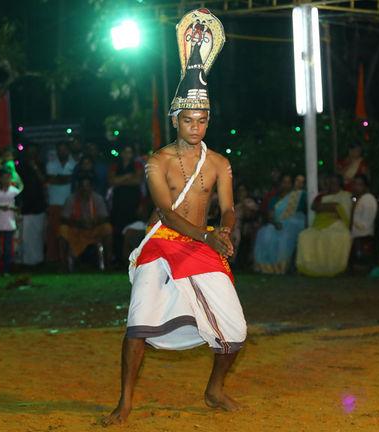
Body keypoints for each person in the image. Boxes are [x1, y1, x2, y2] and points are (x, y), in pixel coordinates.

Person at [103, 11, 245, 424]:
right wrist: (207, 235)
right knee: (138, 325)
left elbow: (230, 206)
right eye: (188, 119)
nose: (196, 126)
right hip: (165, 241)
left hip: (202, 243)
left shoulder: (220, 162)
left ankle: (215, 389)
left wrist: (227, 229)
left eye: (202, 120)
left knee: (234, 333)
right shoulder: (156, 161)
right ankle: (125, 401)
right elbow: (166, 210)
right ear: (175, 119)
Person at [296, 174, 354, 277]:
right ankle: (309, 268)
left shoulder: (346, 195)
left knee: (336, 237)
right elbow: (314, 206)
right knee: (304, 236)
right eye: (330, 183)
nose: (332, 185)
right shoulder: (322, 196)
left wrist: (329, 207)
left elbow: (342, 211)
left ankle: (334, 268)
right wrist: (333, 206)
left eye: (335, 183)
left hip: (337, 224)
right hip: (319, 224)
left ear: (340, 184)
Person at [57, 175, 113, 271]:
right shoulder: (71, 199)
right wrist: (78, 223)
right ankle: (64, 264)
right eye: (82, 187)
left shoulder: (97, 198)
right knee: (62, 230)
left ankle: (108, 263)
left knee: (107, 228)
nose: (85, 189)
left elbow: (105, 218)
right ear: (78, 188)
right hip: (76, 230)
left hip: (93, 229)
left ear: (92, 188)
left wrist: (94, 222)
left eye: (87, 186)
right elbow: (64, 219)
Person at [253, 174, 306, 274]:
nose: (286, 185)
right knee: (265, 234)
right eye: (284, 182)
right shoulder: (274, 199)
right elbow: (270, 216)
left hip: (293, 224)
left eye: (289, 182)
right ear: (280, 184)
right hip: (276, 224)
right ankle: (266, 268)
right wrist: (275, 223)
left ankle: (281, 267)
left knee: (284, 237)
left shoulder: (298, 196)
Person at [108, 145, 144, 263]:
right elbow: (112, 181)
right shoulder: (115, 165)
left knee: (132, 228)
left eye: (129, 152)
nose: (127, 154)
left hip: (133, 202)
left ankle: (133, 259)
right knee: (118, 229)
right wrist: (128, 176)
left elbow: (138, 181)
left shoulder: (137, 165)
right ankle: (118, 258)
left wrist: (120, 180)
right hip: (118, 201)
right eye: (125, 152)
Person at [45, 141, 76, 262]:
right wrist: (65, 178)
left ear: (68, 150)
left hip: (69, 204)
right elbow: (52, 180)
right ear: (57, 151)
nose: (62, 151)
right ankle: (53, 259)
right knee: (53, 232)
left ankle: (68, 259)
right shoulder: (51, 164)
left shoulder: (74, 164)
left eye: (64, 149)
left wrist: (58, 178)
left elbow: (58, 179)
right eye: (60, 149)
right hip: (54, 202)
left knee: (68, 232)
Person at [17, 146, 47, 266]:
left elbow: (44, 181)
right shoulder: (21, 167)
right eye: (29, 152)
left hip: (39, 205)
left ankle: (38, 260)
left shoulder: (41, 166)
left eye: (34, 152)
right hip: (26, 205)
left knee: (38, 234)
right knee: (26, 235)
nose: (31, 155)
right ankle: (26, 261)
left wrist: (35, 168)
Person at [0, 168, 23, 275]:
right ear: (0, 178)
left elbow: (19, 208)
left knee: (8, 249)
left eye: (8, 177)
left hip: (9, 223)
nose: (7, 179)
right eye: (5, 177)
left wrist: (10, 208)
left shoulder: (15, 192)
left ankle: (6, 270)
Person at [350, 175, 378, 270]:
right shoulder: (357, 198)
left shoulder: (368, 199)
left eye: (360, 184)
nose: (357, 187)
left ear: (365, 186)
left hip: (363, 233)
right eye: (355, 184)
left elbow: (366, 222)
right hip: (356, 231)